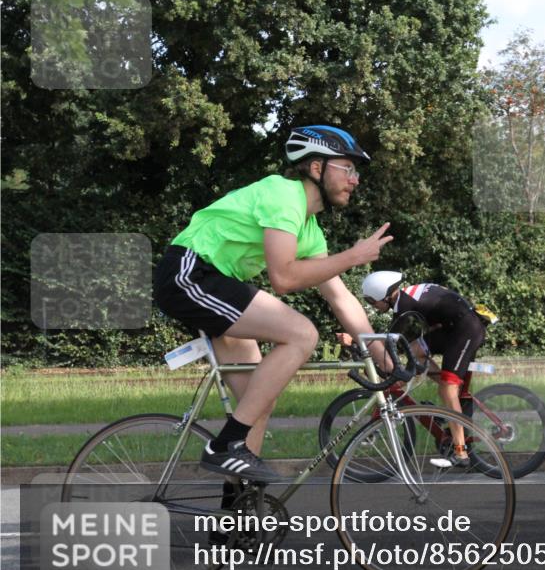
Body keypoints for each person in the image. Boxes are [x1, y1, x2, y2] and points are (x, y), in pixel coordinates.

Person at [152, 125, 392, 484]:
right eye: (348, 168)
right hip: (189, 272)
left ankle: (235, 524)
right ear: (316, 168)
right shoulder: (284, 194)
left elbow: (340, 297)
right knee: (301, 334)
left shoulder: (309, 230)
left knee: (257, 403)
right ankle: (225, 447)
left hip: (219, 282)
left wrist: (384, 359)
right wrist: (353, 256)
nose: (355, 180)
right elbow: (284, 278)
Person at [358, 272, 488, 467]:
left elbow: (390, 343)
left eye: (371, 300)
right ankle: (453, 392)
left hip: (465, 330)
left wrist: (358, 343)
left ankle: (461, 452)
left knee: (446, 388)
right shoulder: (404, 299)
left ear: (383, 294)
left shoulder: (404, 305)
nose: (371, 305)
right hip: (453, 328)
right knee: (415, 350)